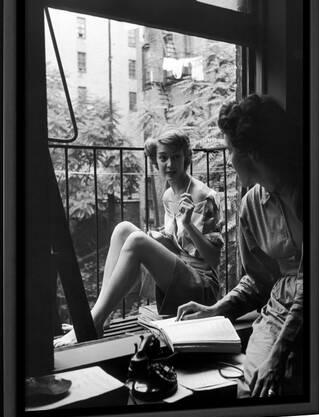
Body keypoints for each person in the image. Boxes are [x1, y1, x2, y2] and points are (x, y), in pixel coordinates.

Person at [177, 94, 303, 398]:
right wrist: (218, 308)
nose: (228, 158)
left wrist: (281, 351)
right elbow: (259, 279)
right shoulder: (250, 206)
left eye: (230, 150)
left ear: (254, 153)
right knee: (251, 391)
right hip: (279, 310)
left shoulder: (310, 192)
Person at [54, 128, 223, 347]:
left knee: (136, 241)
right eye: (163, 158)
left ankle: (91, 323)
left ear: (187, 157)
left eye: (176, 157)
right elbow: (178, 243)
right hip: (180, 272)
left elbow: (214, 260)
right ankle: (99, 318)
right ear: (156, 161)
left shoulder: (202, 195)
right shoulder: (169, 195)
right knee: (123, 229)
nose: (169, 165)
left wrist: (189, 224)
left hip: (201, 288)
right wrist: (160, 236)